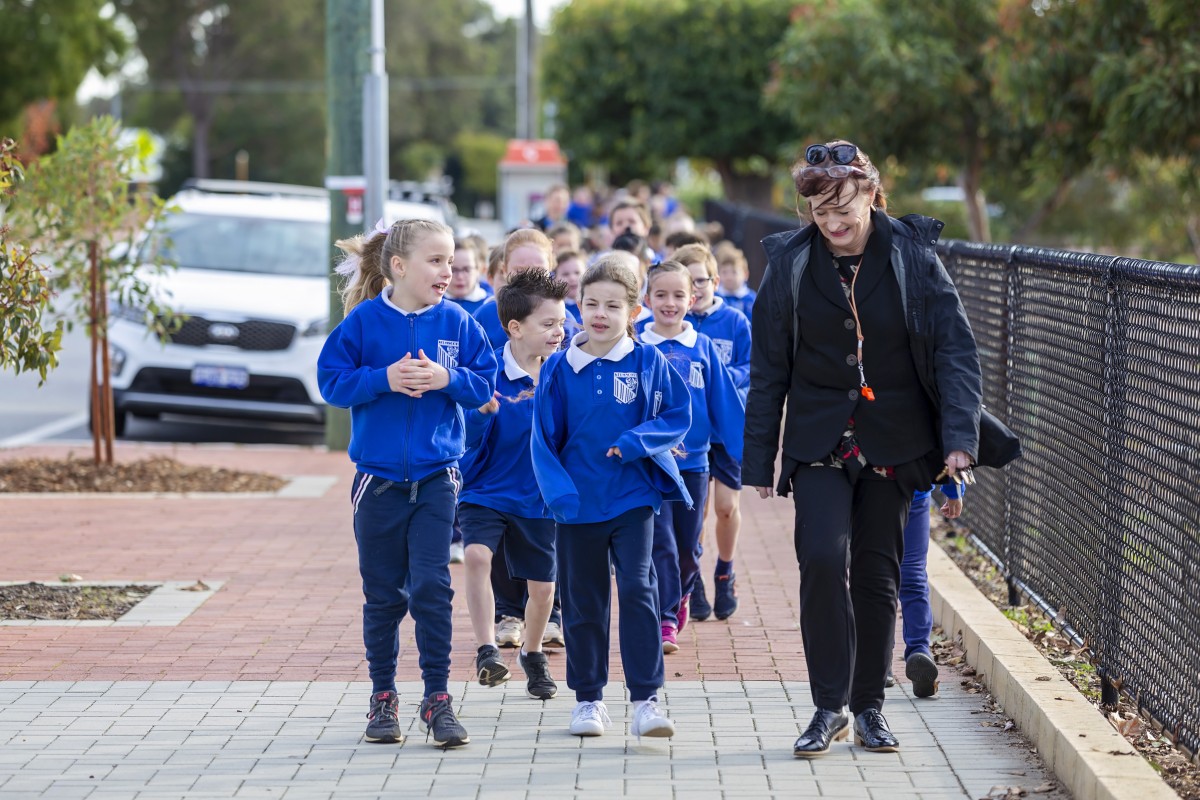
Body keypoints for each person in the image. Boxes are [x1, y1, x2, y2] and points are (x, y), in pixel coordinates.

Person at [743, 140, 982, 757]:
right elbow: (769, 366)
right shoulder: (791, 264)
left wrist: (958, 440)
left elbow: (955, 348)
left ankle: (870, 706)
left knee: (877, 573)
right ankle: (829, 707)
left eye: (843, 206)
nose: (833, 222)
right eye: (820, 212)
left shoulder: (912, 255)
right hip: (818, 437)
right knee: (821, 558)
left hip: (894, 439)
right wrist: (758, 459)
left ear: (873, 193)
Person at [317, 218, 498, 748]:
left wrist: (448, 379)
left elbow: (485, 382)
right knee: (383, 595)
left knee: (432, 588)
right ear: (398, 267)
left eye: (451, 261)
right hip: (376, 483)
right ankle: (382, 698)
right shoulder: (364, 322)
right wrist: (382, 380)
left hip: (437, 477)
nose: (448, 271)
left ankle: (438, 698)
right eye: (436, 261)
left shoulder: (460, 322)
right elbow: (331, 381)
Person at [531, 254, 693, 740]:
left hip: (633, 498)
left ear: (633, 313)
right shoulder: (558, 369)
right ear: (578, 306)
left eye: (613, 306)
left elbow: (677, 414)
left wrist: (635, 442)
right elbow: (543, 437)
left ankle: (647, 699)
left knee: (639, 592)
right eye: (591, 303)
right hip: (577, 505)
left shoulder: (648, 361)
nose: (600, 314)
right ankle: (588, 700)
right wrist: (559, 493)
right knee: (584, 600)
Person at [459, 268, 568, 701]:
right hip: (484, 489)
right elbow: (459, 430)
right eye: (549, 324)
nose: (559, 332)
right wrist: (480, 412)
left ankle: (533, 652)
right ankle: (487, 650)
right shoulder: (486, 372)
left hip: (538, 499)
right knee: (475, 556)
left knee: (543, 589)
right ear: (515, 328)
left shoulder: (561, 374)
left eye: (562, 322)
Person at [639, 260, 745, 654]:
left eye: (678, 295)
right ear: (646, 299)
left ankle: (682, 594)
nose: (669, 303)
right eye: (661, 295)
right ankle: (666, 617)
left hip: (695, 463)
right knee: (661, 542)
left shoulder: (701, 347)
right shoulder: (636, 345)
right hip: (649, 463)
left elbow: (725, 405)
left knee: (688, 546)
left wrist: (746, 458)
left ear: (693, 298)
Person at [671, 243, 752, 622]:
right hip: (691, 436)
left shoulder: (735, 322)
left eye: (700, 280)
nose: (696, 289)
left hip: (727, 427)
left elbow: (753, 365)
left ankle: (725, 570)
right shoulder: (674, 329)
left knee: (726, 507)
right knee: (696, 513)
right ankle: (694, 579)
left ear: (714, 281)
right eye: (688, 282)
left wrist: (720, 378)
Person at [893, 482, 964, 696]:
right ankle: (919, 649)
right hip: (915, 487)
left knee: (875, 574)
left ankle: (877, 659)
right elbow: (948, 448)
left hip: (869, 486)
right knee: (913, 575)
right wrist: (954, 491)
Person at [474, 228, 580, 349]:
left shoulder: (565, 320)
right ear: (504, 270)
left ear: (550, 270)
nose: (530, 278)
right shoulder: (484, 316)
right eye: (520, 271)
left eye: (538, 270)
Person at [446, 237, 492, 316]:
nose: (460, 276)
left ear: (478, 270)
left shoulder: (490, 304)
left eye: (467, 269)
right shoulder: (431, 304)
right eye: (453, 270)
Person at [715, 242, 756, 322]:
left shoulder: (751, 299)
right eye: (724, 272)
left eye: (734, 272)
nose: (729, 277)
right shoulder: (715, 297)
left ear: (745, 274)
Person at [555, 249, 585, 323]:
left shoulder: (593, 306)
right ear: (554, 279)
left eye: (577, 273)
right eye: (565, 274)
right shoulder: (555, 308)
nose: (572, 278)